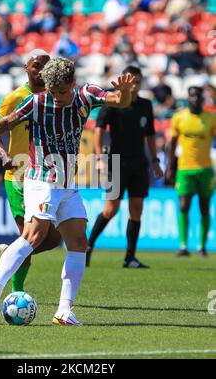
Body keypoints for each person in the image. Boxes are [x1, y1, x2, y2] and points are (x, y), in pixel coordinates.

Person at [0, 57, 135, 326]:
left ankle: (64, 310)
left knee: (78, 242)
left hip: (67, 185)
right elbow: (4, 123)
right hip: (41, 180)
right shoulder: (38, 102)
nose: (58, 98)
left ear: (73, 84)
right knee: (34, 235)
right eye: (53, 92)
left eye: (62, 92)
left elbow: (120, 101)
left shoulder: (86, 95)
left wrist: (124, 92)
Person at [0, 49, 62, 293]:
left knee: (53, 239)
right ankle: (15, 294)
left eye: (45, 66)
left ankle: (10, 252)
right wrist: (4, 156)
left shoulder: (55, 97)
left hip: (45, 178)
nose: (41, 71)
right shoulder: (15, 98)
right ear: (26, 68)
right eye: (36, 66)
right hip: (19, 178)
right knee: (30, 237)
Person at [86, 65, 164, 269]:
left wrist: (155, 161)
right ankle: (88, 246)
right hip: (116, 162)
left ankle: (130, 257)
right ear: (125, 82)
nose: (135, 85)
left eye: (138, 82)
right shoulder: (112, 102)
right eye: (132, 81)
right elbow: (99, 130)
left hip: (139, 163)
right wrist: (100, 158)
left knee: (136, 210)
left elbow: (150, 134)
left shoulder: (146, 105)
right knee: (111, 209)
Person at [166, 86, 216, 257]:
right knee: (183, 205)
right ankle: (183, 245)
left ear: (202, 99)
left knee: (204, 207)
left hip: (205, 169)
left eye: (197, 96)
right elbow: (172, 143)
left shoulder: (210, 118)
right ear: (188, 99)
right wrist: (169, 167)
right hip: (184, 168)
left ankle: (202, 246)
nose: (194, 99)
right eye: (191, 96)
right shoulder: (179, 117)